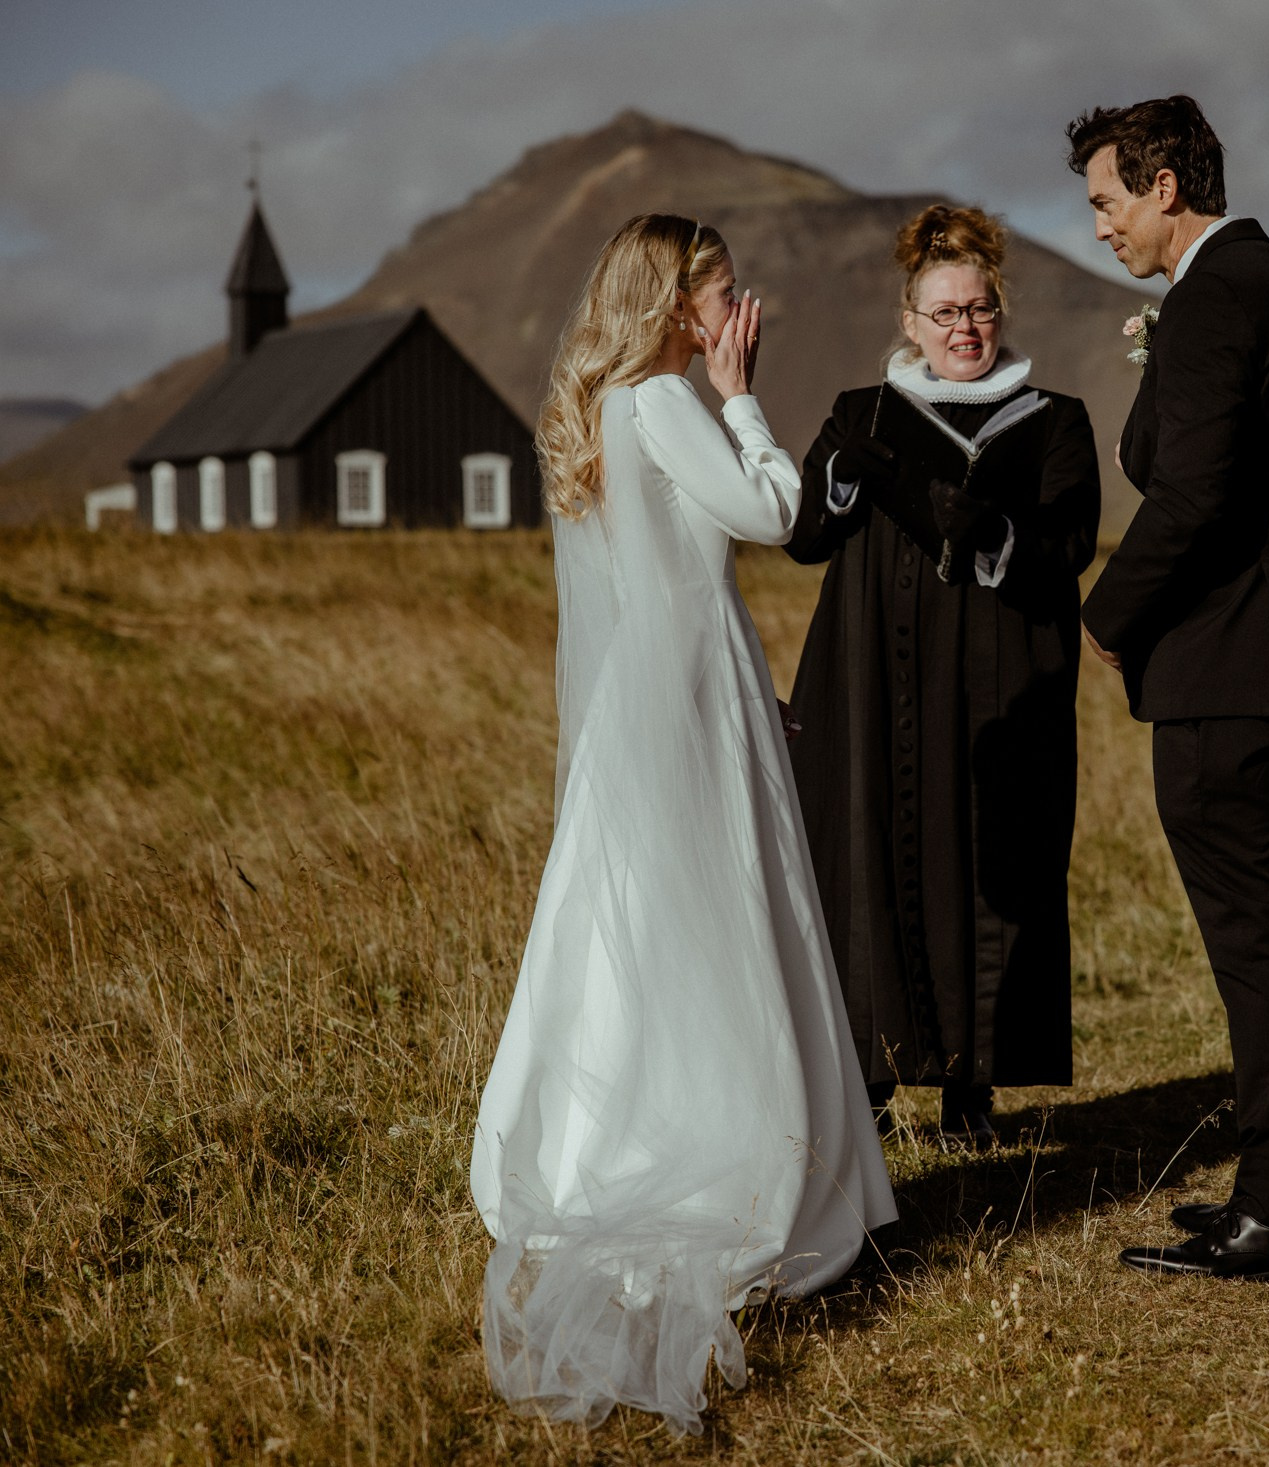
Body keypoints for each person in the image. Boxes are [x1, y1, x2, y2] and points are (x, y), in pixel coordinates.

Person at [470, 213, 897, 1434]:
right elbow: (771, 516)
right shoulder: (663, 398)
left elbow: (639, 585)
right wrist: (743, 397)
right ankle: (730, 1160)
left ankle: (578, 1143)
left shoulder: (600, 405)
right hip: (691, 705)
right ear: (672, 302)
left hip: (643, 706)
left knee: (633, 928)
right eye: (718, 290)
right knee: (714, 922)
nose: (734, 306)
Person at [1065, 97, 1269, 1280]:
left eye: (1104, 200)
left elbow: (1192, 494)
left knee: (1255, 943)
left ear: (1161, 187)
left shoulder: (1209, 304)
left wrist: (1105, 616)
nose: (1097, 227)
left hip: (1226, 673)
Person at [783, 204, 1100, 1149]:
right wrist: (842, 477)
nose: (964, 328)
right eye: (944, 313)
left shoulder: (1054, 426)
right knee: (869, 855)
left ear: (999, 313)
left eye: (979, 310)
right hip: (874, 686)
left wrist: (989, 532)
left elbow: (1069, 546)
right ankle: (871, 1075)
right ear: (910, 323)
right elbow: (805, 535)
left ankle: (973, 1085)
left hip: (1003, 695)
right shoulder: (864, 414)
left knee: (989, 865)